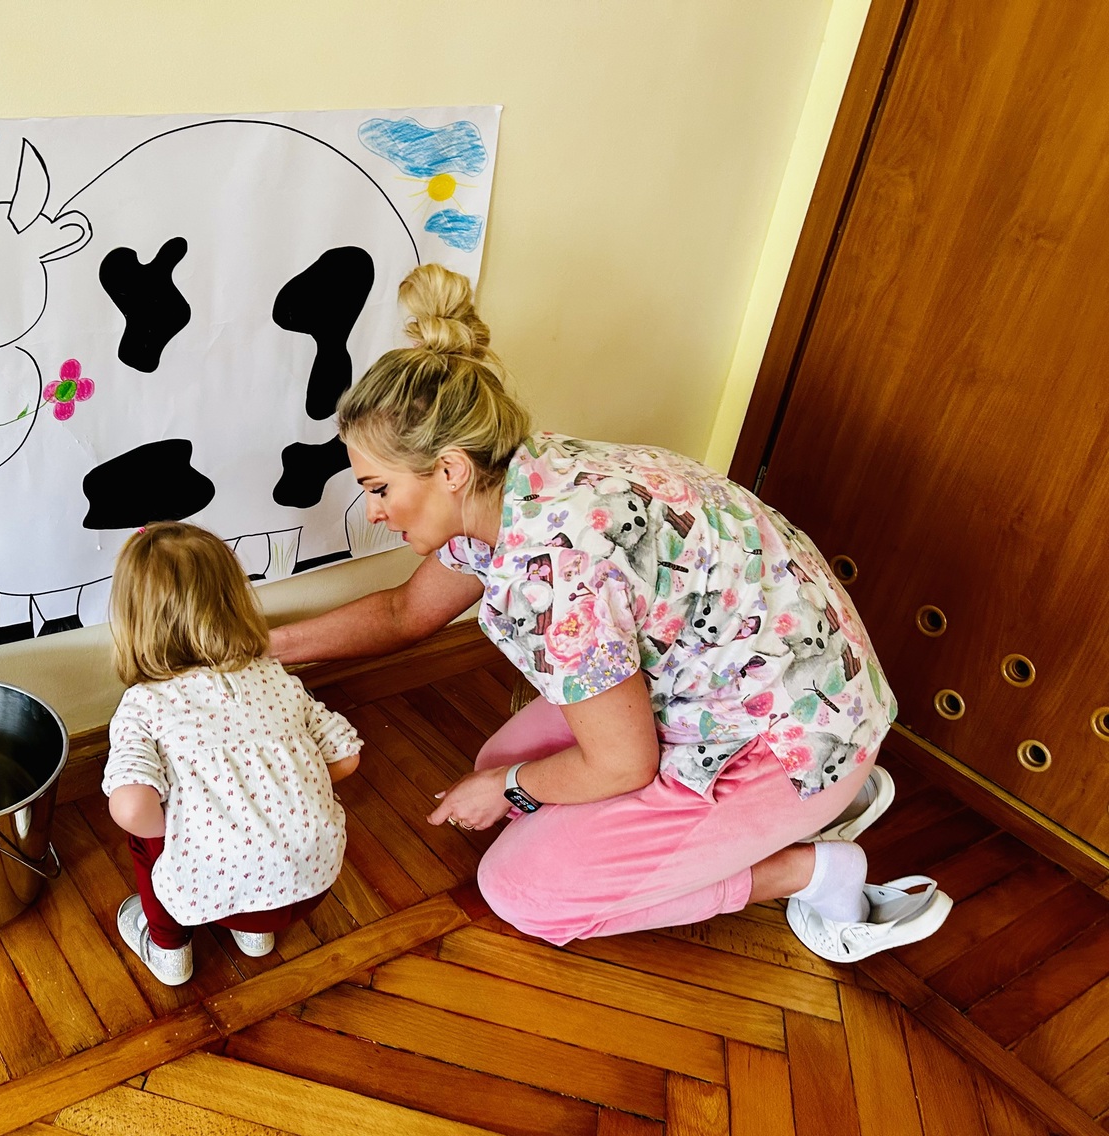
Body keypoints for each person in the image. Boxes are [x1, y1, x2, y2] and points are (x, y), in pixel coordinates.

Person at [270, 264, 951, 962]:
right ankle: (789, 813)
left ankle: (811, 868)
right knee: (502, 763)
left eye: (378, 488)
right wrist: (264, 646)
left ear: (449, 470)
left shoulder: (560, 577)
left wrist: (508, 789)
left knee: (522, 890)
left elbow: (623, 764)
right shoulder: (519, 476)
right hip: (763, 675)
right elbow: (404, 612)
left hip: (792, 738)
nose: (373, 511)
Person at [103, 522, 364, 986]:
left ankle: (169, 951)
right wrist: (287, 791)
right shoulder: (274, 677)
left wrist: (183, 827)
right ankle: (254, 935)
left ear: (132, 622)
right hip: (314, 878)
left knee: (147, 841)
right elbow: (346, 757)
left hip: (215, 886)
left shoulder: (144, 704)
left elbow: (129, 807)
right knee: (254, 838)